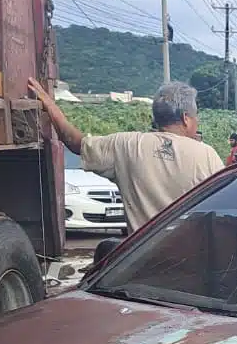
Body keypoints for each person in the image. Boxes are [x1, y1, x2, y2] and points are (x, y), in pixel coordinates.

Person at [27, 78, 224, 232]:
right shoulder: (207, 155)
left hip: (141, 261)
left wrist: (50, 105)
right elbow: (224, 211)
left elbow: (75, 142)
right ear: (186, 119)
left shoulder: (126, 145)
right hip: (191, 263)